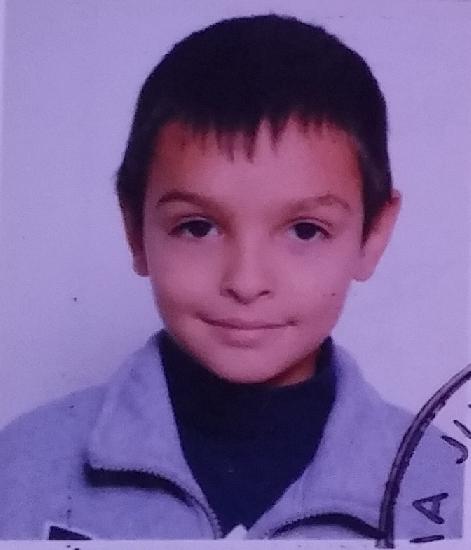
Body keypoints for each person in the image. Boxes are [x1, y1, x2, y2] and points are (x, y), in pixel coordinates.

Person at [0, 14, 463, 541]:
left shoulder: (446, 490)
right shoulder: (23, 467)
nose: (246, 282)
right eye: (197, 227)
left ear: (373, 235)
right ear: (134, 228)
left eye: (306, 230)